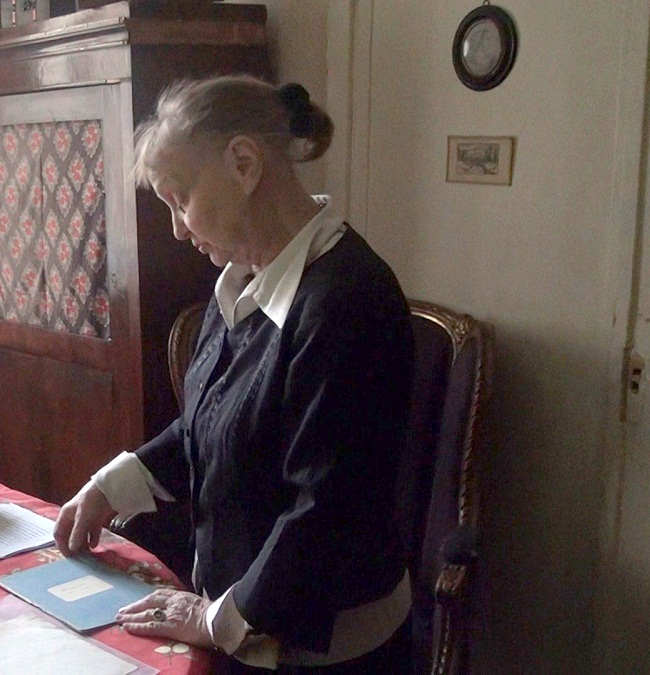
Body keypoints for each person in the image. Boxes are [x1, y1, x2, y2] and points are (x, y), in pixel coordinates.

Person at [53, 75, 415, 674]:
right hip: (246, 630)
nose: (177, 228)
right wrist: (111, 486)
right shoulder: (244, 282)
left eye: (180, 200)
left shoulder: (349, 302)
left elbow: (325, 509)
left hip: (322, 656)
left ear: (244, 164)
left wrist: (212, 621)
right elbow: (214, 424)